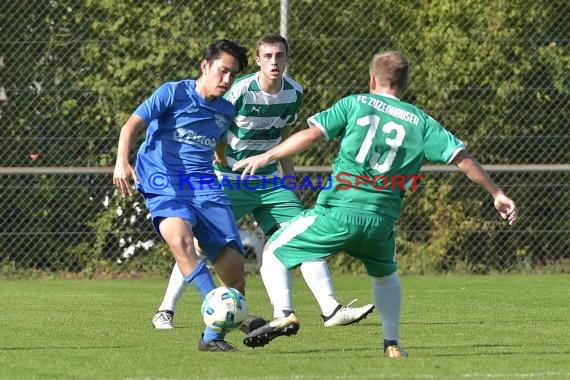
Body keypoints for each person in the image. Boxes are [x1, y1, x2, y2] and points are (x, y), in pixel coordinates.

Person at [233, 50, 519, 358]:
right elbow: (462, 160)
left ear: (372, 79)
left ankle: (284, 313)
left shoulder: (357, 103)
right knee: (385, 277)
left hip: (338, 213)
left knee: (275, 252)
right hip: (382, 222)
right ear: (405, 84)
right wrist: (496, 193)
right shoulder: (421, 122)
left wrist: (268, 155)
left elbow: (311, 134)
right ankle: (391, 343)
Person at [152, 33, 374, 332]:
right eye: (267, 56)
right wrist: (213, 160)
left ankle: (330, 309)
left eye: (279, 56)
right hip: (230, 180)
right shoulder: (239, 90)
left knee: (305, 236)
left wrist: (290, 177)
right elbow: (213, 122)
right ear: (258, 60)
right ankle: (165, 310)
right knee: (200, 247)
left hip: (270, 183)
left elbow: (284, 135)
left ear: (286, 59)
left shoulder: (294, 92)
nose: (273, 61)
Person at [113, 39, 254, 352]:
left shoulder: (227, 111)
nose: (227, 79)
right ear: (205, 66)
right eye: (223, 71)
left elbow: (216, 139)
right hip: (165, 183)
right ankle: (214, 302)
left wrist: (220, 156)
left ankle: (212, 339)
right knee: (179, 239)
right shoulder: (173, 92)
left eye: (233, 74)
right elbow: (131, 125)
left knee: (235, 275)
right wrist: (122, 161)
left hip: (206, 187)